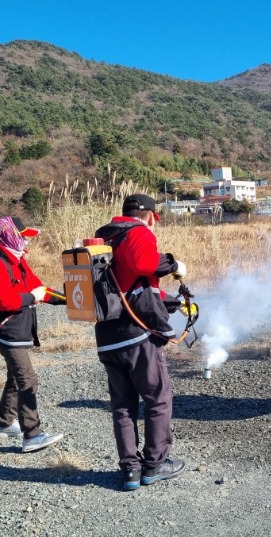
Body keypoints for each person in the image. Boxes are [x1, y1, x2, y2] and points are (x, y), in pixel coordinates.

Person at [94, 193, 186, 491]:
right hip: (137, 336)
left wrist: (174, 302)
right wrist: (173, 264)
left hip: (108, 335)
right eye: (153, 219)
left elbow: (133, 285)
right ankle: (155, 465)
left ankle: (131, 471)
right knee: (157, 399)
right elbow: (146, 265)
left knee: (123, 406)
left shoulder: (106, 236)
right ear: (148, 215)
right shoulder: (138, 232)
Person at [0, 216, 66, 451]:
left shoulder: (17, 262)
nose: (27, 241)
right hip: (6, 332)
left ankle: (5, 424)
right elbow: (4, 302)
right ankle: (32, 434)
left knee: (15, 378)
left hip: (18, 330)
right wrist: (31, 297)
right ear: (10, 236)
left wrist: (70, 299)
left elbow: (40, 290)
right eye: (23, 236)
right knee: (28, 380)